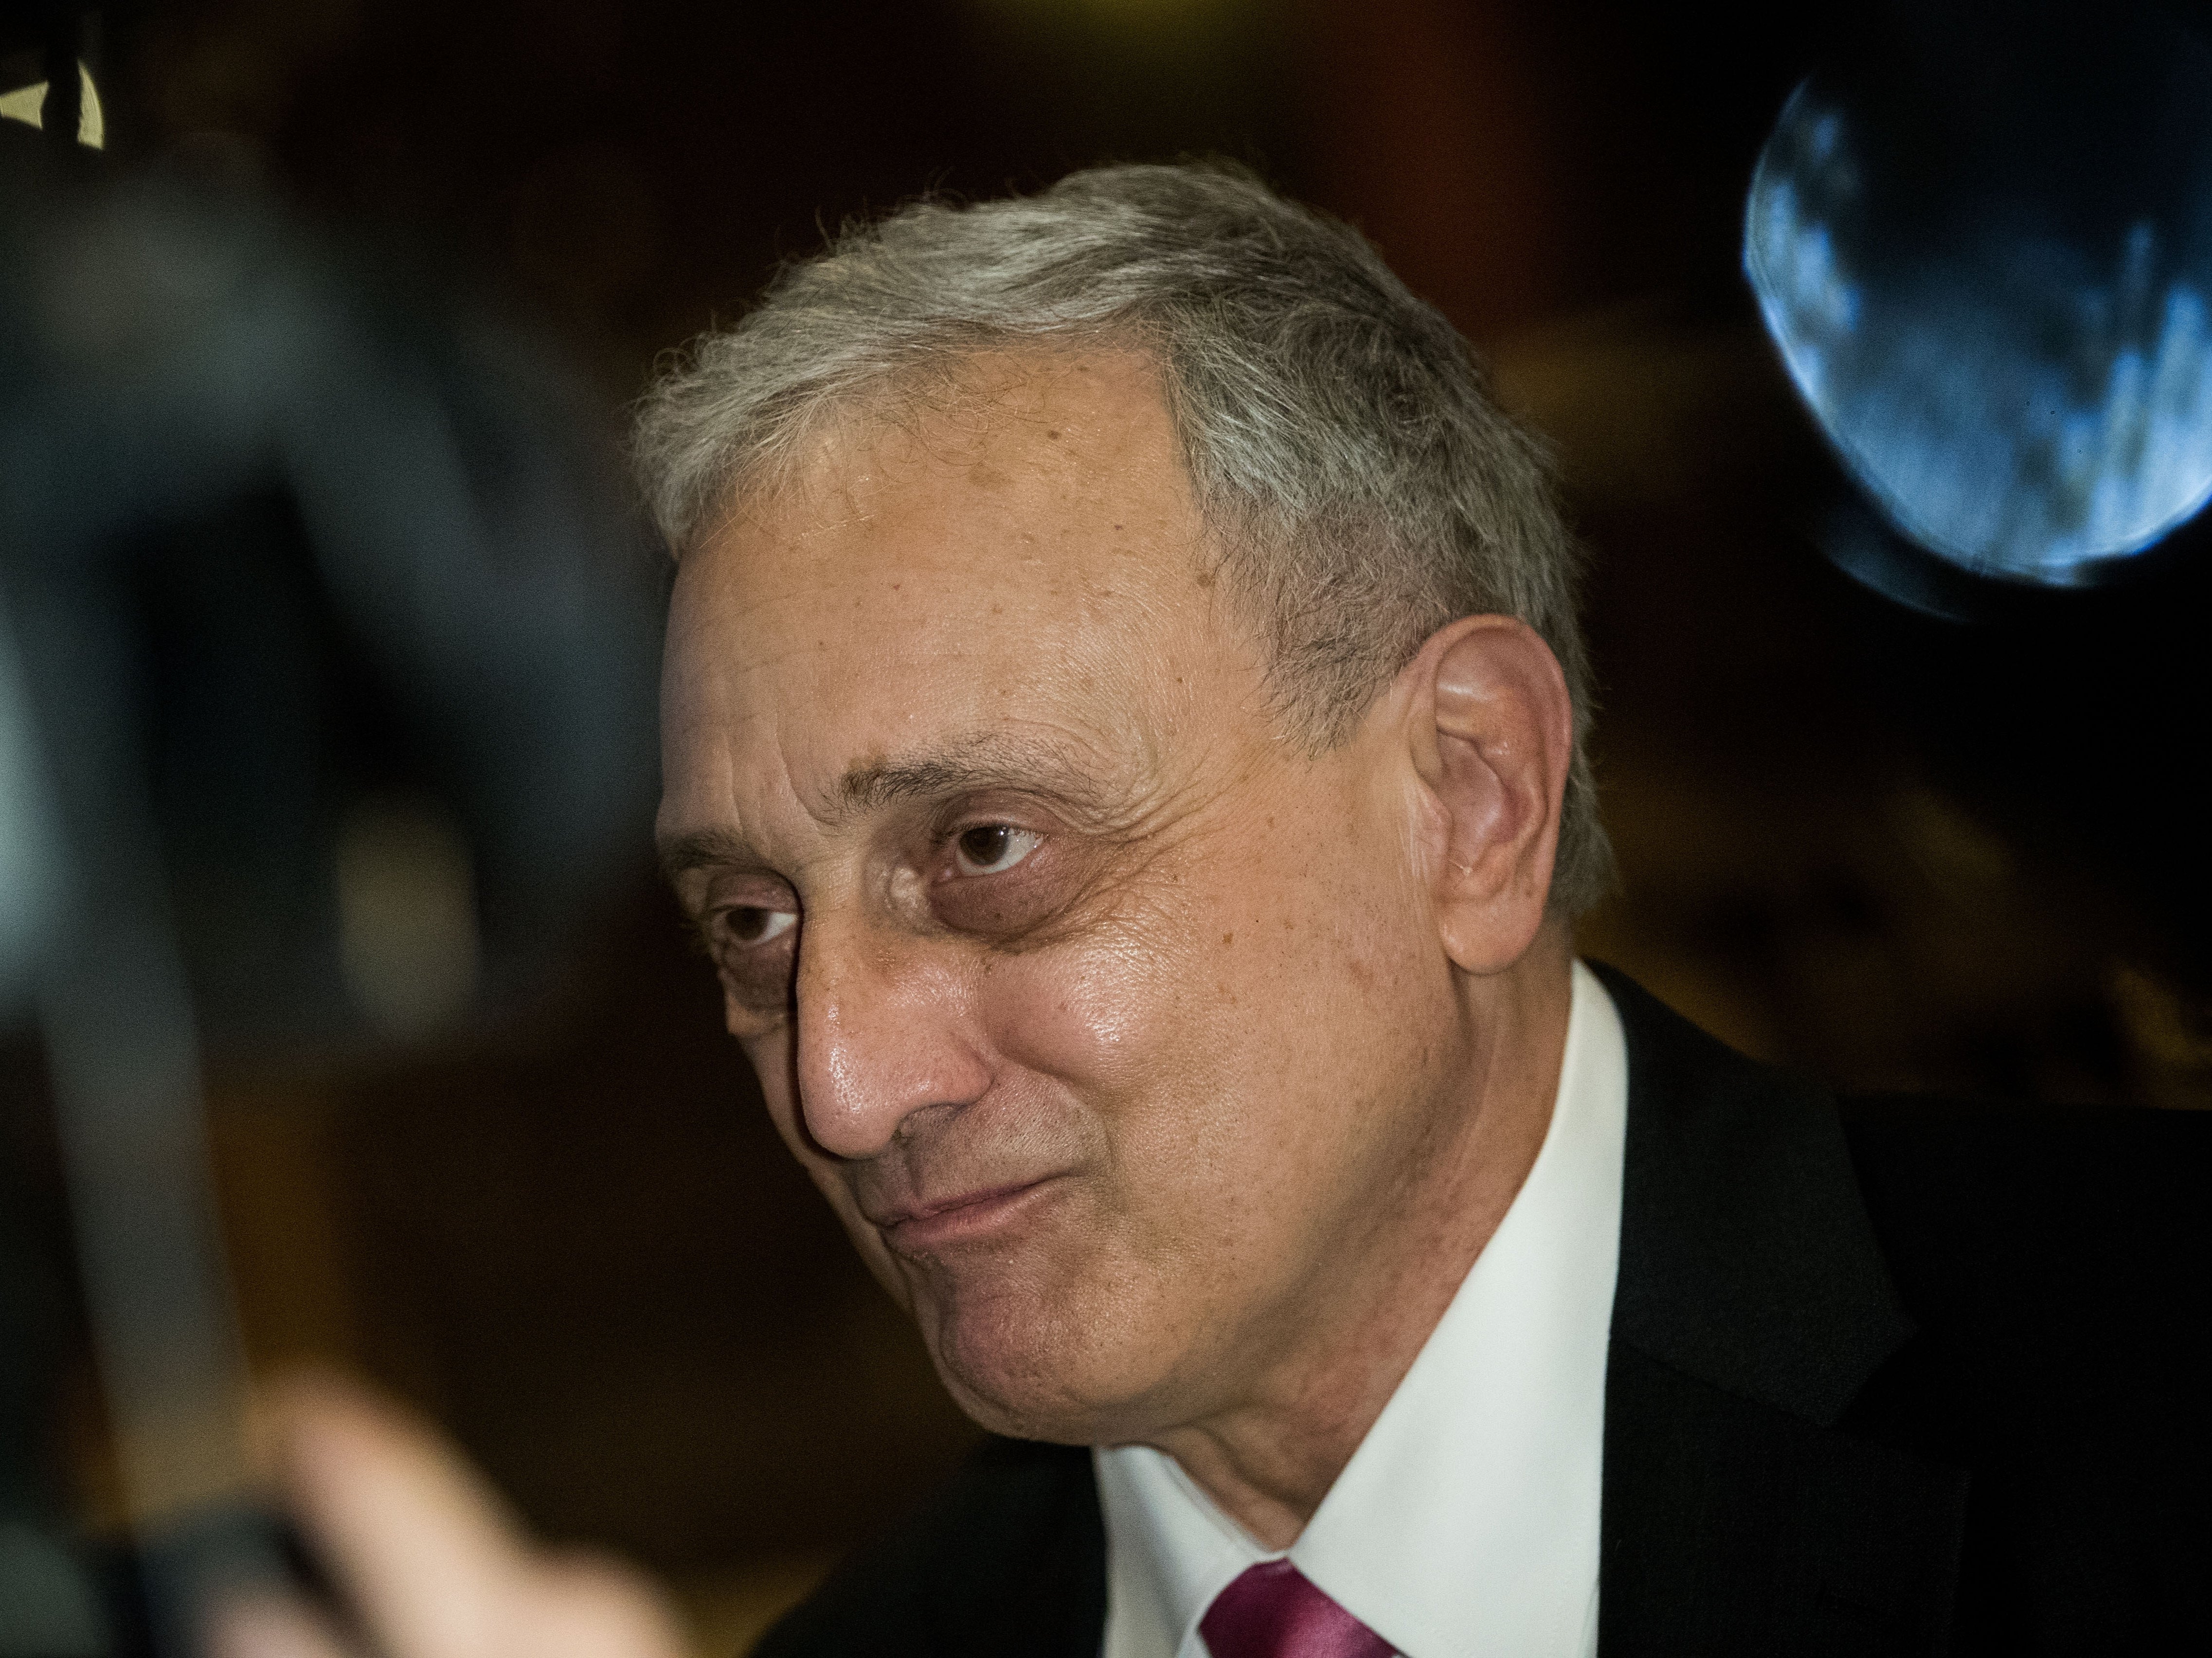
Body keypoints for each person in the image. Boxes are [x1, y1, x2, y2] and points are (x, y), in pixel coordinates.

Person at [227, 163, 2209, 1658]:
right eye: (754, 924)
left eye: (986, 853)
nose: (838, 1084)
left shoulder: (2143, 1395)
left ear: (1471, 795)